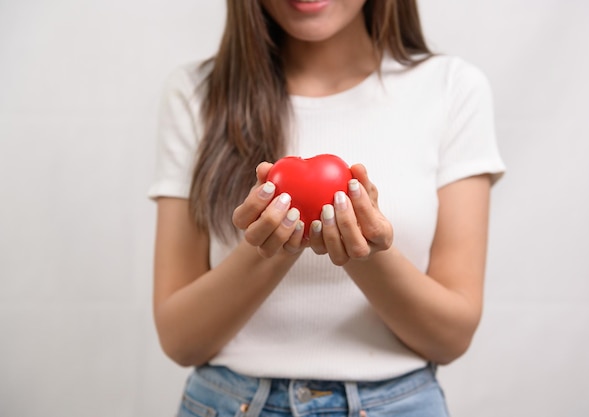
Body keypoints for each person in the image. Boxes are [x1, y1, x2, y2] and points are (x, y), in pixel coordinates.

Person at [148, 1, 505, 416]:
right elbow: (180, 340)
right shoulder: (196, 93)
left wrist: (366, 252)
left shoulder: (452, 89)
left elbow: (451, 338)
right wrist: (271, 247)